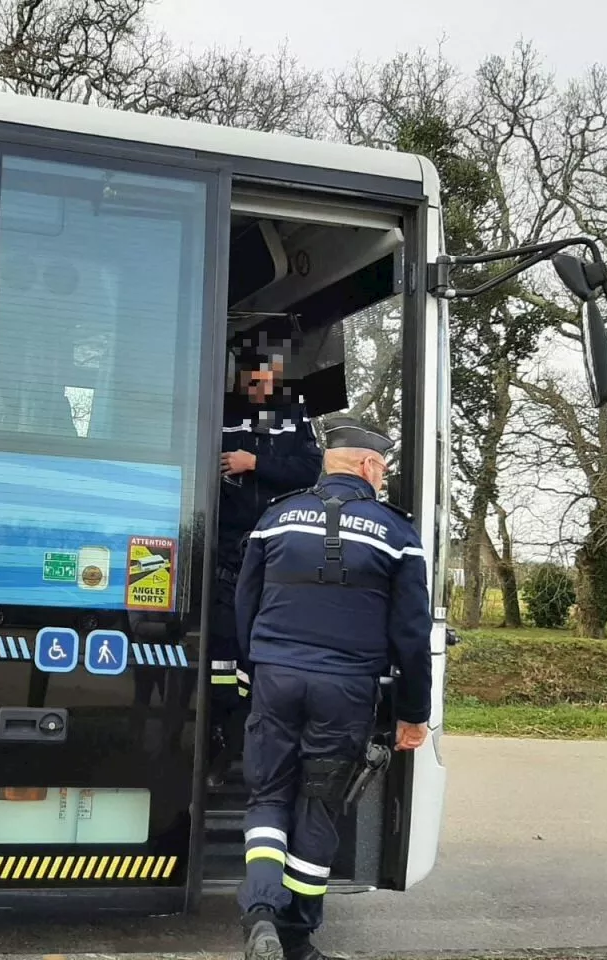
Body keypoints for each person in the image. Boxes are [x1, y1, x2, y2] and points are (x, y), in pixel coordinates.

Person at [232, 414, 432, 960]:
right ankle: (296, 937)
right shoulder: (396, 533)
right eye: (383, 470)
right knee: (317, 805)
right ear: (368, 466)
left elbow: (244, 604)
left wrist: (251, 672)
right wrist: (413, 713)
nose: (383, 479)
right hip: (343, 690)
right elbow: (411, 634)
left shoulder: (276, 518)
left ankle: (260, 913)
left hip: (276, 678)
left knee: (268, 795)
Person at [208, 343, 323, 784]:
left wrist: (253, 462)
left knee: (264, 651)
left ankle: (255, 747)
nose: (259, 386)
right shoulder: (218, 409)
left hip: (277, 547)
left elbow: (309, 471)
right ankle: (218, 739)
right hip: (223, 545)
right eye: (252, 379)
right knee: (222, 653)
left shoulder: (294, 416)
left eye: (267, 379)